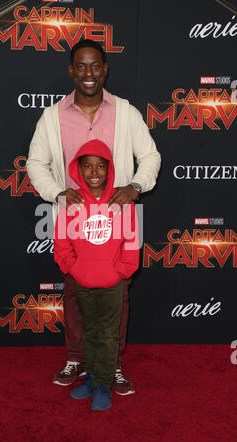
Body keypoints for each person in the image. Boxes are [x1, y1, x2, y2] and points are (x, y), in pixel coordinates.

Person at [26, 39, 161, 395]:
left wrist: (135, 186)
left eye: (95, 66)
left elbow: (150, 157)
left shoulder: (126, 113)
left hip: (118, 222)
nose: (89, 73)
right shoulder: (52, 117)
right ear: (71, 71)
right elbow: (35, 164)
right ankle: (76, 359)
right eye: (81, 66)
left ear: (105, 69)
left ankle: (113, 366)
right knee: (74, 295)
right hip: (73, 223)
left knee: (118, 298)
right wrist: (56, 192)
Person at [54, 139, 139, 411]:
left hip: (113, 283)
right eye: (88, 166)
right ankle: (90, 377)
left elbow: (131, 241)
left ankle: (104, 384)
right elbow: (61, 242)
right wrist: (75, 269)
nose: (94, 172)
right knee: (88, 330)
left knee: (109, 334)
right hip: (83, 281)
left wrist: (121, 271)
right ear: (78, 169)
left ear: (109, 168)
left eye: (100, 166)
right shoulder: (72, 201)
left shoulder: (121, 201)